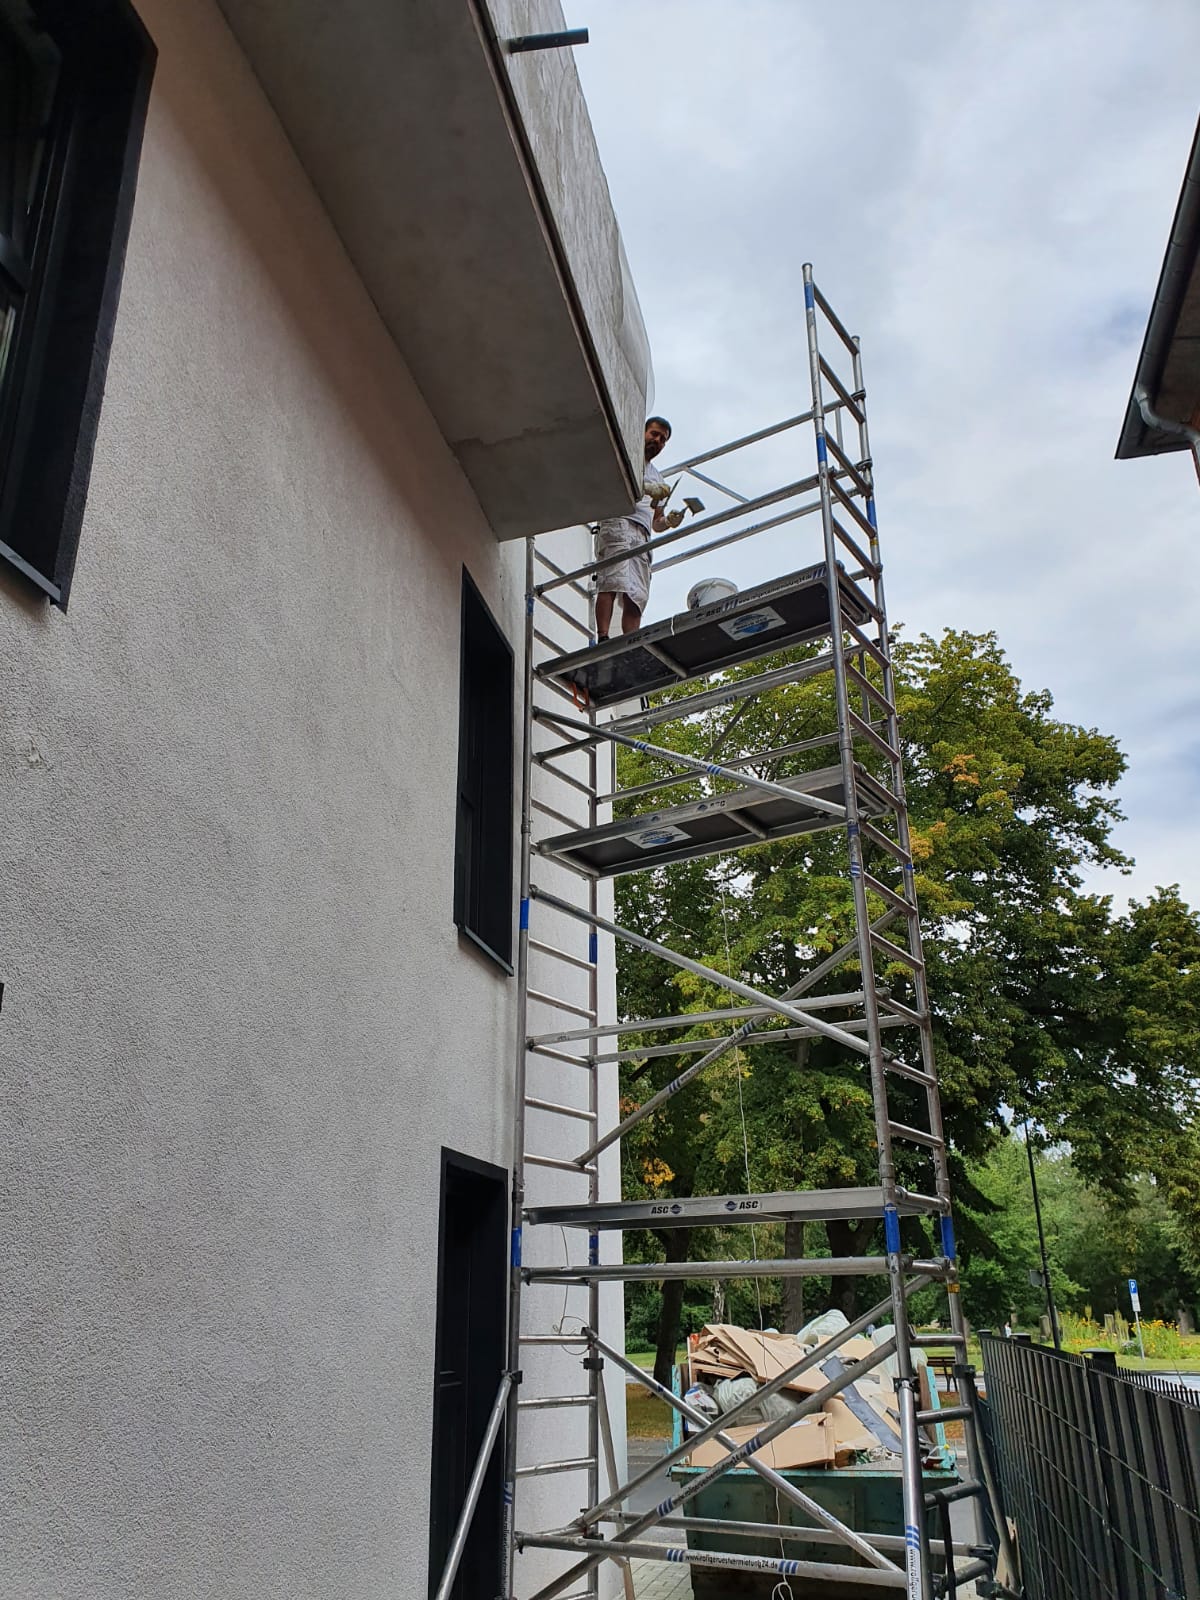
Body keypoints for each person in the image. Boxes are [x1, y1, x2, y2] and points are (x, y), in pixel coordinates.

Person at [594, 416, 681, 639]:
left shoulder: (658, 478)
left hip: (642, 533)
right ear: (642, 432)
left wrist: (670, 521)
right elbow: (612, 481)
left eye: (663, 439)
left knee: (637, 596)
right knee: (612, 580)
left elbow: (657, 522)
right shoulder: (626, 456)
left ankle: (632, 642)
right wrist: (646, 488)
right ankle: (603, 636)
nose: (657, 441)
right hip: (619, 519)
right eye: (654, 434)